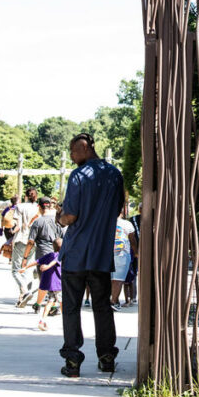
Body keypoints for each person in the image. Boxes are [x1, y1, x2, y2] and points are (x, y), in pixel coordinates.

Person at [56, 133, 124, 378]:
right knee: (102, 306)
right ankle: (106, 357)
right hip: (100, 254)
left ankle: (73, 361)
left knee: (72, 308)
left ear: (84, 148)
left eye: (73, 152)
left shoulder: (78, 176)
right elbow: (117, 210)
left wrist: (59, 217)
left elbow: (70, 216)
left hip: (75, 253)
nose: (73, 157)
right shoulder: (115, 175)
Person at [19, 197, 64, 313]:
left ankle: (49, 306)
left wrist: (25, 258)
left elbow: (30, 242)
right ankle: (50, 305)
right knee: (55, 280)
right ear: (50, 206)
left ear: (39, 207)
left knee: (44, 281)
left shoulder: (38, 222)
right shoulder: (58, 221)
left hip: (43, 253)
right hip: (57, 254)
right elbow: (63, 238)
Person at [8, 188, 38, 302]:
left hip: (21, 239)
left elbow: (18, 226)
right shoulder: (37, 208)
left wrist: (11, 232)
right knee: (27, 269)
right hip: (33, 241)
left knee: (16, 270)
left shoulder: (20, 207)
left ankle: (24, 291)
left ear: (26, 196)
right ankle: (22, 297)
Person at [109, 204, 137, 310]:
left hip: (108, 254)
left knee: (111, 279)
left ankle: (114, 301)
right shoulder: (127, 224)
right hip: (122, 254)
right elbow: (132, 240)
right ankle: (113, 302)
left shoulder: (106, 222)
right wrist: (136, 252)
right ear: (121, 212)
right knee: (118, 279)